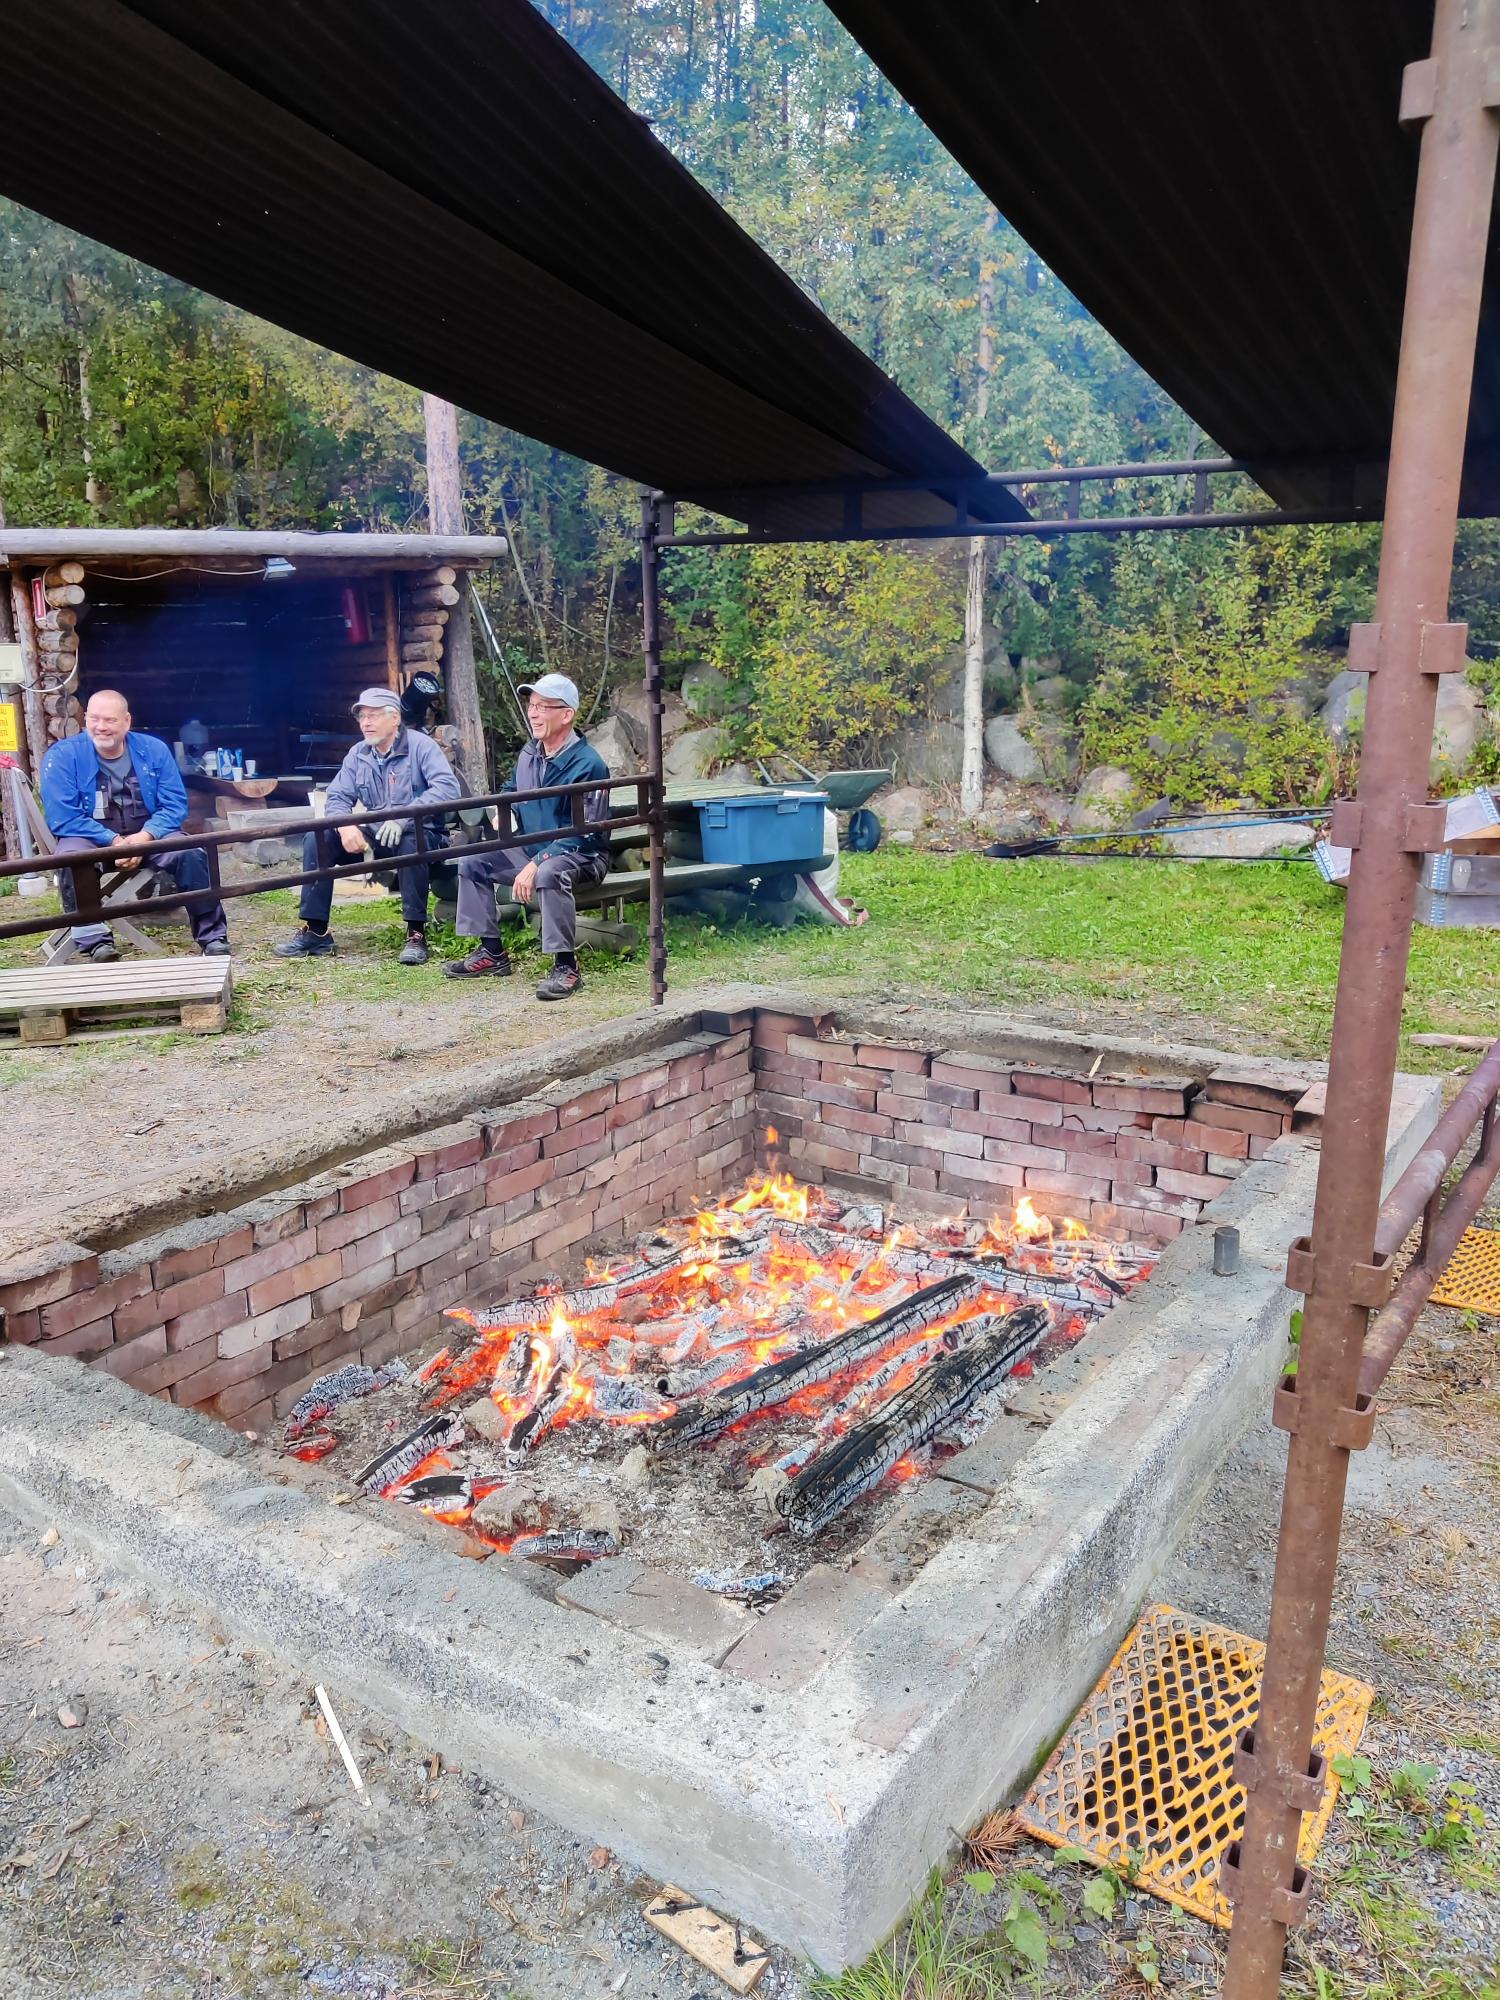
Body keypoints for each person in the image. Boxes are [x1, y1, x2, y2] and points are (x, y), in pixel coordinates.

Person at [445, 672, 610, 1000]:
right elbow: (512, 787)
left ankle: (566, 967)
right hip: (533, 850)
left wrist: (537, 862)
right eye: (532, 706)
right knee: (473, 860)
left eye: (543, 707)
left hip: (584, 857)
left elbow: (587, 833)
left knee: (549, 871)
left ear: (566, 715)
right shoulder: (530, 753)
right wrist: (503, 809)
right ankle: (492, 953)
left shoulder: (589, 765)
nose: (533, 714)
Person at [40, 688, 230, 961]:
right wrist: (115, 842)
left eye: (110, 720)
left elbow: (175, 805)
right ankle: (95, 941)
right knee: (73, 859)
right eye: (94, 719)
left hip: (148, 835)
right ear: (85, 720)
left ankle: (212, 937)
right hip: (89, 838)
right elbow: (64, 817)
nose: (101, 727)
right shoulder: (62, 756)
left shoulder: (153, 750)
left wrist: (145, 837)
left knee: (190, 853)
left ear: (127, 721)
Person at [275, 687, 460, 966]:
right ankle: (316, 932)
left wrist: (403, 817)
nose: (366, 723)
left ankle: (416, 934)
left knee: (411, 839)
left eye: (373, 716)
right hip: (377, 833)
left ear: (395, 718)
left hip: (425, 833)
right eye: (362, 716)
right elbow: (337, 796)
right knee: (319, 838)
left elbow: (448, 788)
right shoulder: (358, 753)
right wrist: (346, 825)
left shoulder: (421, 746)